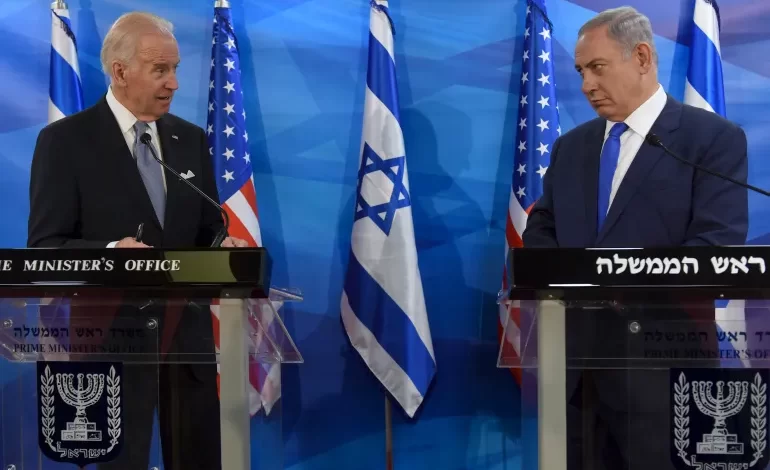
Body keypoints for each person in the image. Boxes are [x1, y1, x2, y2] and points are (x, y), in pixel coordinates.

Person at [522, 6, 748, 470]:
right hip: (577, 377)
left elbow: (715, 246)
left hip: (663, 376)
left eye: (597, 67)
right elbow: (542, 227)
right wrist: (568, 280)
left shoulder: (710, 140)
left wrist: (614, 283)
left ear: (642, 57)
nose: (586, 85)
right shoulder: (572, 147)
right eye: (581, 71)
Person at [27, 11, 247, 470]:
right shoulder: (65, 142)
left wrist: (222, 250)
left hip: (186, 344)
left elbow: (208, 229)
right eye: (160, 69)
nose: (174, 83)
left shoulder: (189, 140)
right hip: (112, 346)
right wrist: (111, 255)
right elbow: (46, 247)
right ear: (120, 71)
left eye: (175, 69)